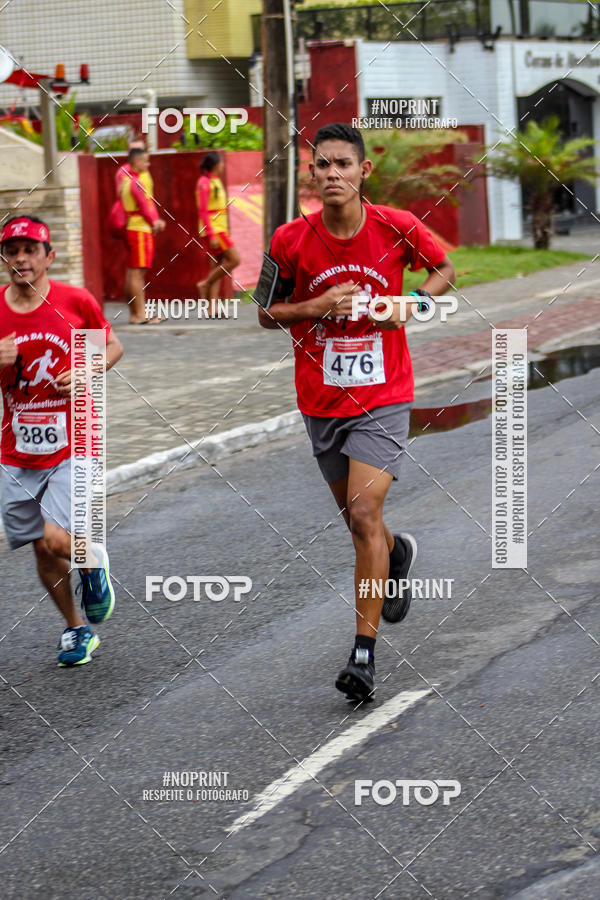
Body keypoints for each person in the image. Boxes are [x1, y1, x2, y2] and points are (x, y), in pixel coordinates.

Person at [259, 123, 455, 702]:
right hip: (321, 398)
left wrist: (413, 303)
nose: (333, 174)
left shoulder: (396, 226)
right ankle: (396, 554)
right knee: (357, 523)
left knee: (365, 513)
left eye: (343, 164)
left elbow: (444, 270)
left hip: (384, 394)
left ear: (363, 172)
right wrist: (315, 305)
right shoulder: (289, 239)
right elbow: (266, 314)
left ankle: (363, 655)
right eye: (322, 165)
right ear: (312, 175)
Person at [0, 215, 124, 666]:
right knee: (39, 546)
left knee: (56, 540)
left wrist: (89, 369)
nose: (20, 258)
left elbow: (112, 347)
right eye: (12, 251)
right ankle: (77, 629)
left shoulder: (75, 302)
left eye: (30, 250)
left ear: (48, 257)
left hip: (75, 440)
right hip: (16, 450)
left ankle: (92, 560)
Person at [120, 147, 166, 324]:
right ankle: (140, 315)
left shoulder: (126, 180)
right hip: (139, 229)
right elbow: (145, 207)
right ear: (136, 162)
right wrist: (156, 222)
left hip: (134, 228)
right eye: (145, 161)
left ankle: (136, 313)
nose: (148, 164)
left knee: (133, 272)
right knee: (138, 273)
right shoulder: (136, 182)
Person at [195, 152, 240, 317]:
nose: (223, 166)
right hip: (214, 229)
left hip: (220, 227)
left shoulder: (214, 180)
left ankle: (211, 308)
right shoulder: (204, 183)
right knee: (235, 259)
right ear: (215, 165)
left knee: (217, 265)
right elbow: (203, 211)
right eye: (221, 163)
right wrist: (211, 234)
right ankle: (205, 284)